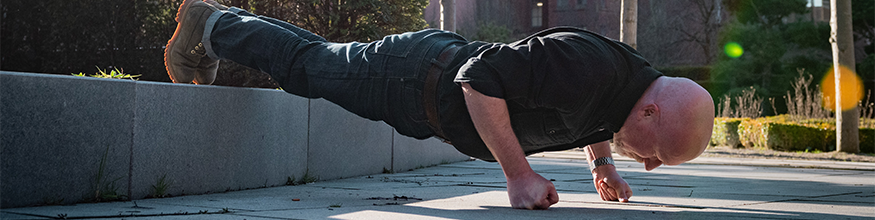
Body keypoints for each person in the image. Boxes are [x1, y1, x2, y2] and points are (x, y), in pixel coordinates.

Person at [164, 0, 715, 210]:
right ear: (651, 114)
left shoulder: (626, 90)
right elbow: (478, 82)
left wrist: (603, 164)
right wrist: (518, 175)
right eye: (656, 156)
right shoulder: (590, 63)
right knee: (310, 68)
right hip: (414, 77)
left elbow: (592, 113)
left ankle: (217, 22)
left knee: (316, 62)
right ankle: (211, 25)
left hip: (423, 90)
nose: (650, 165)